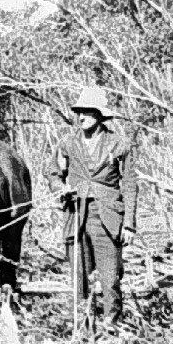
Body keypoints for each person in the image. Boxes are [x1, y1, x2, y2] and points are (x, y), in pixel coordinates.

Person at [57, 87, 139, 331]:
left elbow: (130, 184)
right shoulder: (68, 143)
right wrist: (61, 187)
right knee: (79, 275)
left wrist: (129, 224)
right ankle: (84, 326)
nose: (81, 117)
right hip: (76, 214)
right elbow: (53, 173)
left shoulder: (119, 144)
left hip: (107, 217)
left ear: (100, 115)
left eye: (88, 112)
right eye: (79, 112)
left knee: (110, 277)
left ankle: (111, 325)